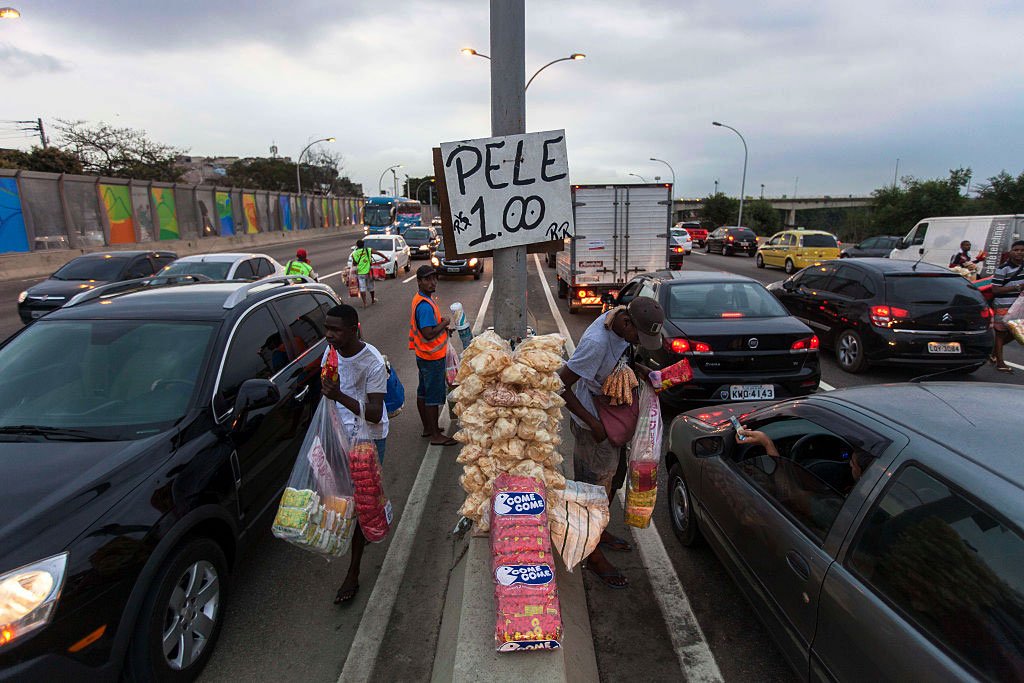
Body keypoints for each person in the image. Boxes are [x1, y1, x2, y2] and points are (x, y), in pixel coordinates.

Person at [557, 297, 665, 589]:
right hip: (594, 426)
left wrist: (642, 371)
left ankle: (600, 532)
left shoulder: (621, 324)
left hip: (612, 420)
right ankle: (591, 556)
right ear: (628, 323)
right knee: (591, 490)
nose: (638, 341)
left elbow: (626, 359)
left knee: (613, 480)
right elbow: (559, 384)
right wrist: (594, 426)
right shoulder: (596, 342)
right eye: (638, 336)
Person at [320, 304, 390, 604]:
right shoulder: (331, 352)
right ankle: (361, 528)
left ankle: (353, 571)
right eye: (327, 328)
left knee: (363, 501)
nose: (329, 335)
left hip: (368, 439)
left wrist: (338, 395)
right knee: (340, 496)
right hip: (340, 433)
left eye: (336, 330)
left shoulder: (372, 362)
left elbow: (374, 413)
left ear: (354, 329)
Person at [409, 265, 457, 446]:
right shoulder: (424, 305)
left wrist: (442, 328)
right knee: (433, 396)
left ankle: (428, 427)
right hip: (431, 357)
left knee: (423, 392)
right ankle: (436, 435)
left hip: (423, 354)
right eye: (427, 279)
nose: (432, 282)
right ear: (419, 281)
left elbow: (428, 329)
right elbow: (428, 333)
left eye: (434, 278)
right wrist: (444, 322)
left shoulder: (421, 299)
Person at [990, 240, 1024, 373]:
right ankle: (1000, 362)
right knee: (1001, 333)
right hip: (1003, 305)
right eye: (1016, 250)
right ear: (1011, 252)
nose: (1019, 253)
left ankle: (993, 352)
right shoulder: (1003, 268)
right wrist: (1017, 287)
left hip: (1019, 305)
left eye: (1022, 250)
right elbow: (995, 290)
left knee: (1015, 332)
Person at [350, 239, 382, 308]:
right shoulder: (368, 250)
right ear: (363, 245)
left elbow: (354, 263)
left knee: (362, 288)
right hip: (368, 272)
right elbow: (378, 253)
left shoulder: (354, 253)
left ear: (357, 245)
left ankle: (365, 303)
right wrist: (385, 258)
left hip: (360, 273)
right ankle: (373, 300)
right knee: (371, 286)